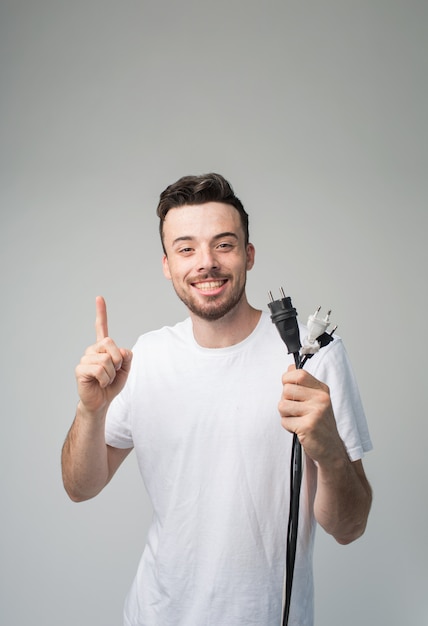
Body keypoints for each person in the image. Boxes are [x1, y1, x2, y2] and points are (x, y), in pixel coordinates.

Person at [61, 173, 372, 626]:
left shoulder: (312, 358)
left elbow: (349, 528)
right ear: (167, 264)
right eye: (186, 249)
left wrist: (330, 452)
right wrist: (90, 411)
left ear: (248, 255)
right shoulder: (146, 357)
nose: (205, 263)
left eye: (224, 244)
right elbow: (80, 487)